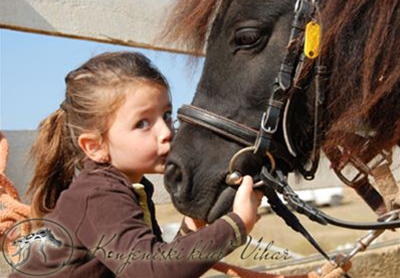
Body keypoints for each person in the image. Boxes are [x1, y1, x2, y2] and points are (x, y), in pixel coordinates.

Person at [9, 51, 261, 278]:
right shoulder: (98, 196)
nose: (166, 131)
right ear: (95, 147)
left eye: (166, 115)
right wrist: (236, 225)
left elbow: (150, 261)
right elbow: (151, 272)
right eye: (142, 123)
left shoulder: (126, 187)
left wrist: (189, 231)